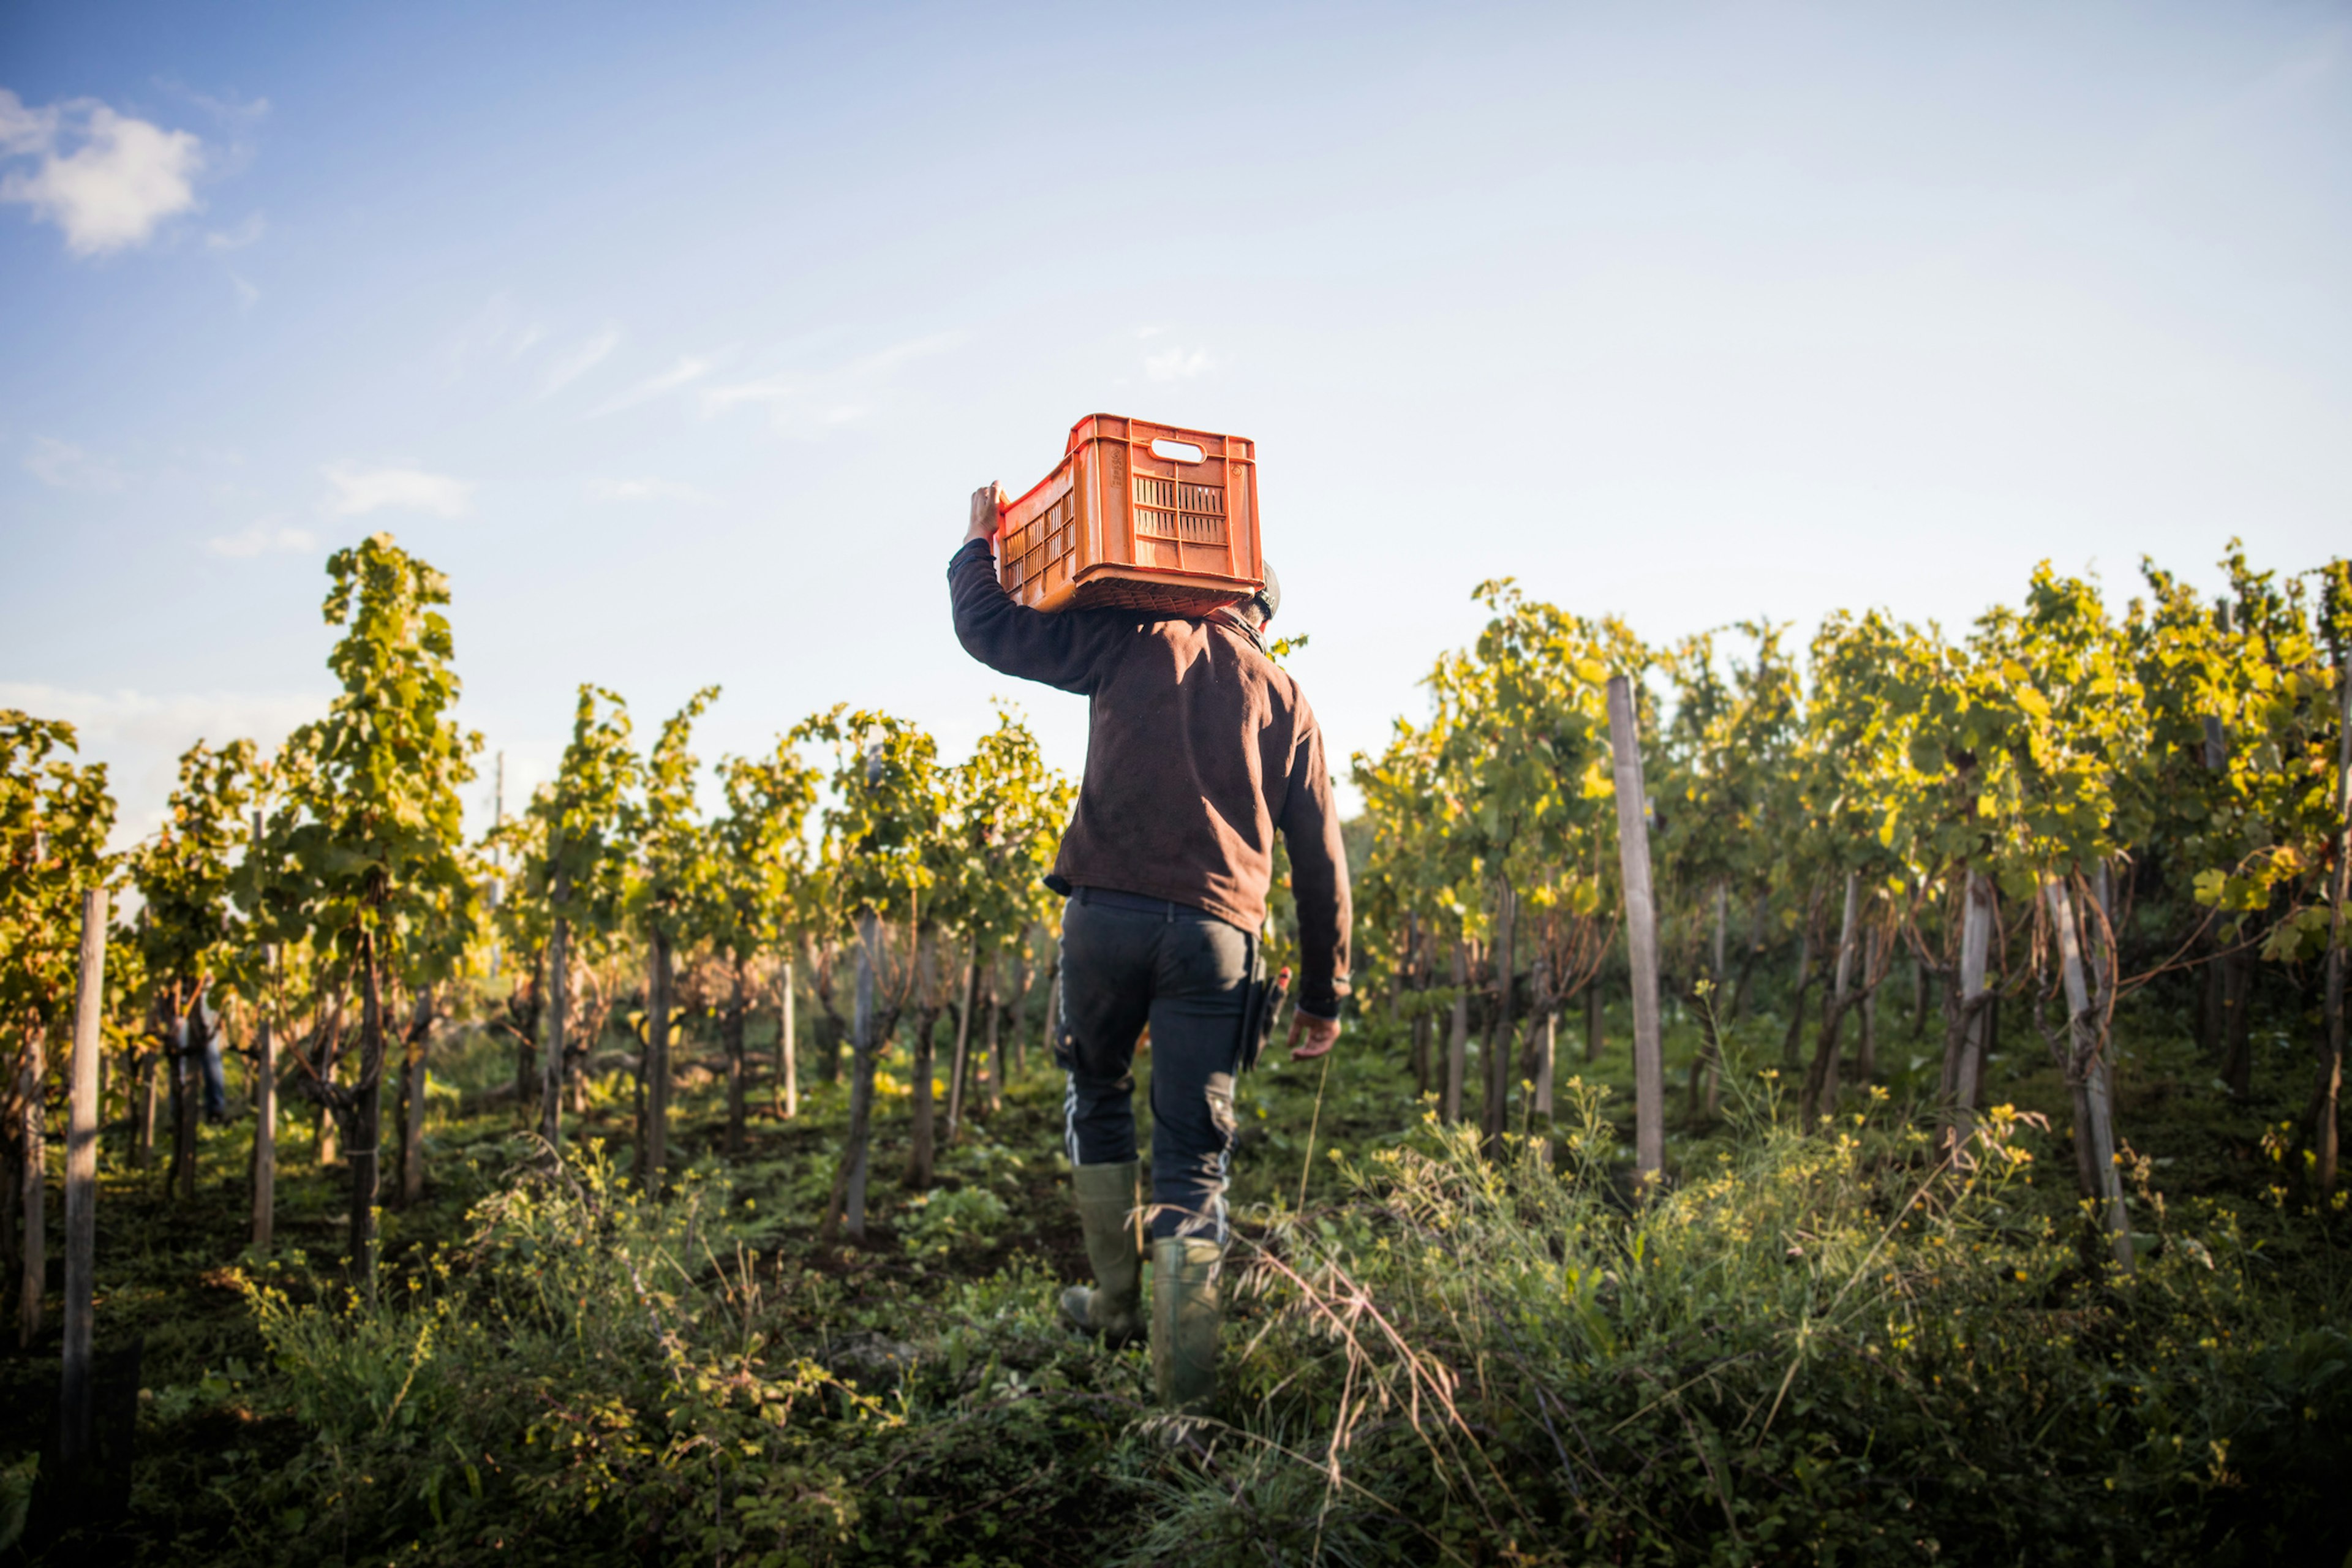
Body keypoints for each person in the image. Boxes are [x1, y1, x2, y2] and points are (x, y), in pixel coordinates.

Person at [946, 483, 1351, 1415]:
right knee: (1193, 1156)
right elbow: (1320, 862)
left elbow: (992, 631)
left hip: (1106, 917)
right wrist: (1322, 997)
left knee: (1096, 1088)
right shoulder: (1287, 698)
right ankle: (1185, 1387)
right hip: (1219, 937)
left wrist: (977, 545)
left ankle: (1115, 1305)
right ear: (1261, 614)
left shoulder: (1134, 638)